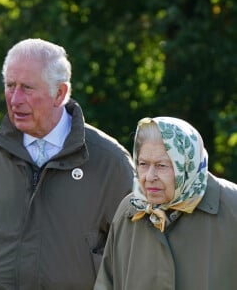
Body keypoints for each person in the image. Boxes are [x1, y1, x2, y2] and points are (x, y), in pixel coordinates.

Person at [0, 38, 135, 290]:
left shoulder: (110, 161)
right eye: (9, 85)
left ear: (59, 93)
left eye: (27, 88)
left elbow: (133, 244)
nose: (15, 99)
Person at [94, 116, 237, 290]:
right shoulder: (130, 209)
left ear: (186, 164)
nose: (149, 177)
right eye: (143, 164)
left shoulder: (232, 205)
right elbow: (107, 282)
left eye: (161, 166)